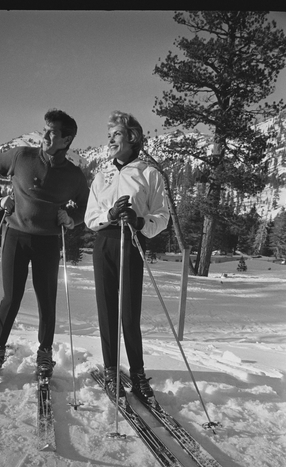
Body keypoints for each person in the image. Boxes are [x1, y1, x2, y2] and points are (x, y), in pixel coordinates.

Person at [0, 108, 89, 378]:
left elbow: (89, 207)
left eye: (52, 132)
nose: (45, 136)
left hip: (48, 243)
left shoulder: (74, 175)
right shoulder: (21, 156)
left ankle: (44, 353)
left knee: (46, 300)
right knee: (11, 297)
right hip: (16, 236)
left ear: (66, 140)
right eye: (45, 129)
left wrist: (72, 217)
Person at [84, 110, 170, 402]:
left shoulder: (149, 173)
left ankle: (137, 373)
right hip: (105, 242)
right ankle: (111, 369)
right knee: (107, 311)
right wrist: (109, 214)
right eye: (109, 135)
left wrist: (138, 221)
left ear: (132, 137)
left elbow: (162, 216)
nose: (110, 139)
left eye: (116, 134)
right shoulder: (102, 173)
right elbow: (89, 217)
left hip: (132, 242)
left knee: (129, 313)